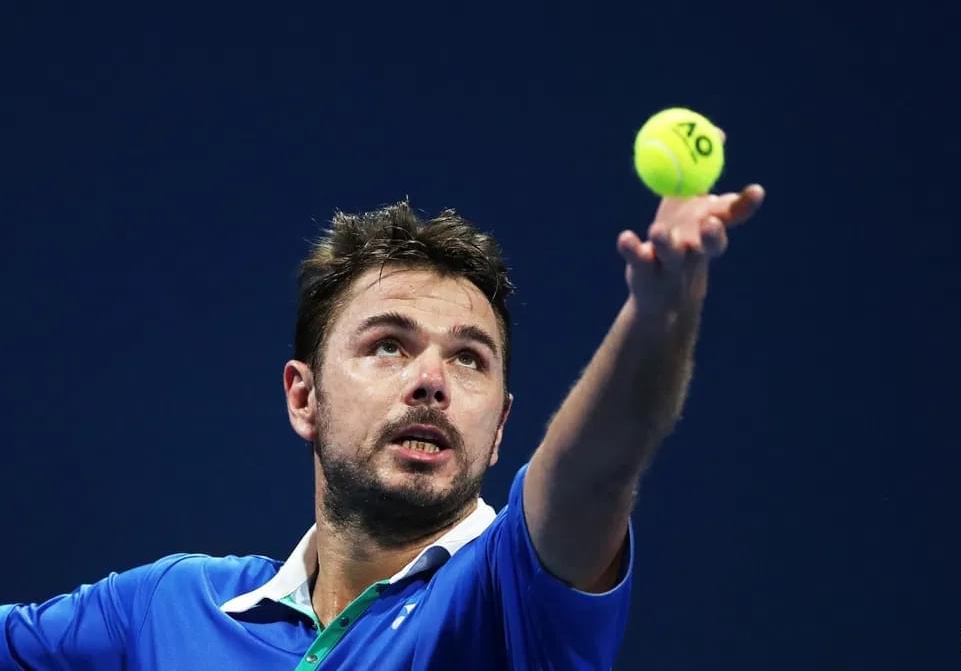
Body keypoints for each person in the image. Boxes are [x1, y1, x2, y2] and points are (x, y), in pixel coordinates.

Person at [1, 179, 765, 669]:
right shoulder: (166, 607)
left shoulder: (508, 599)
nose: (432, 381)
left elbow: (594, 472)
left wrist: (658, 314)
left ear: (500, 428)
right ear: (303, 397)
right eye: (389, 345)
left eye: (469, 359)